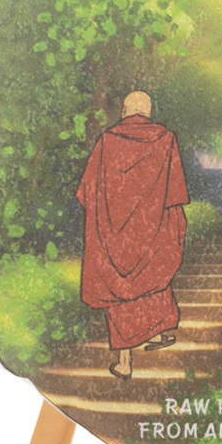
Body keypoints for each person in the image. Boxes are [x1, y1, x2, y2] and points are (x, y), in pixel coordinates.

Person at [75, 92, 188, 379]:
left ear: (125, 110)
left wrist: (108, 215)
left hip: (113, 234)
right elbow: (175, 194)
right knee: (153, 272)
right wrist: (171, 226)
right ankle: (155, 333)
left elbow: (87, 191)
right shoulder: (166, 139)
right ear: (148, 111)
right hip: (152, 228)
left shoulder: (106, 141)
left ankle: (125, 361)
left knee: (118, 287)